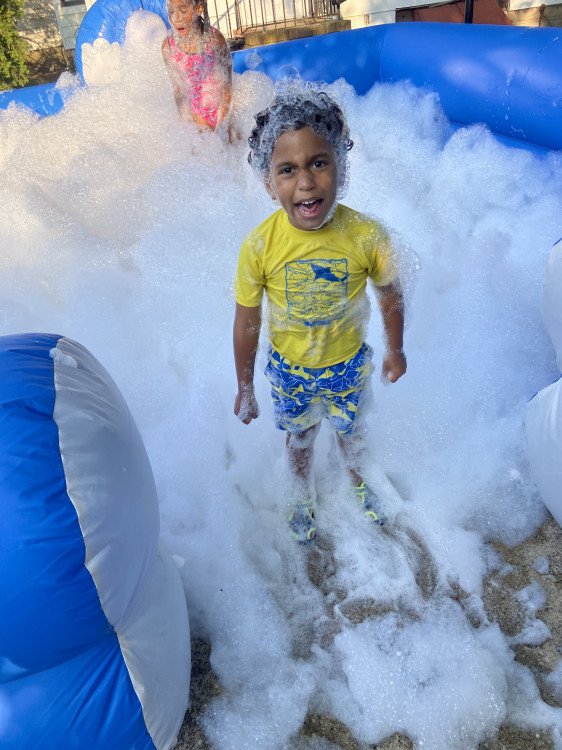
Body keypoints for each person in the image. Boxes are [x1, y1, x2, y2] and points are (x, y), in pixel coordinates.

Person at [233, 87, 407, 543]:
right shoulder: (259, 246)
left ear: (340, 166)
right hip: (291, 371)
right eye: (287, 170)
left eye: (319, 162)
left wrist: (396, 351)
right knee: (300, 440)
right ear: (269, 183)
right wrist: (245, 385)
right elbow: (247, 320)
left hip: (348, 365)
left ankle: (362, 482)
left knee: (353, 433)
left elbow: (390, 293)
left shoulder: (366, 234)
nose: (305, 182)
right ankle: (301, 493)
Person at [162, 0, 232, 134]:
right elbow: (178, 90)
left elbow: (227, 88)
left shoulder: (215, 40)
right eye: (171, 12)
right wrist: (187, 127)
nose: (177, 18)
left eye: (183, 11)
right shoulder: (169, 47)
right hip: (197, 121)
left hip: (222, 116)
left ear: (198, 9)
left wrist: (223, 126)